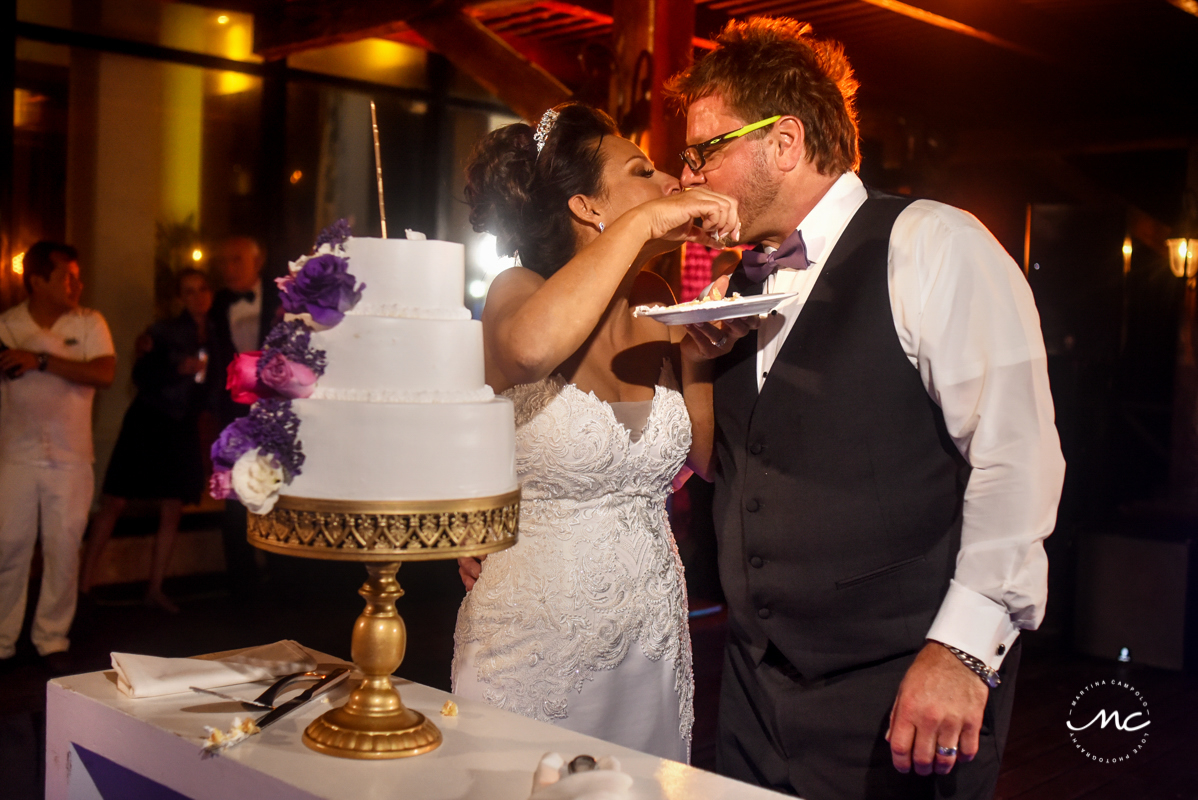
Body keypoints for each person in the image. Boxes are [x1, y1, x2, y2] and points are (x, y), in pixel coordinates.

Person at [666, 18, 1066, 799]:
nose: (688, 178)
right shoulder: (726, 292)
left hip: (903, 687)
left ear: (784, 141)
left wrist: (963, 650)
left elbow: (1017, 458)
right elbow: (723, 463)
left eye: (704, 150)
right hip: (752, 691)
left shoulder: (934, 244)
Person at [452, 102, 747, 762]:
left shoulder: (659, 301)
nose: (673, 180)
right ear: (589, 207)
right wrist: (644, 220)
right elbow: (530, 352)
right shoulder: (516, 290)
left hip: (652, 630)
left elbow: (703, 457)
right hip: (535, 639)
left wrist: (706, 343)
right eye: (644, 172)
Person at [0, 241, 115, 670]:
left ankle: (51, 638)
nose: (76, 284)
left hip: (70, 456)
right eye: (67, 276)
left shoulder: (89, 323)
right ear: (38, 280)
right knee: (8, 546)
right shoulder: (7, 326)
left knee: (63, 548)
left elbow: (104, 373)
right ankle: (2, 639)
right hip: (16, 453)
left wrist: (41, 361)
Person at [80, 268, 215, 613]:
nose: (196, 296)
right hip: (149, 420)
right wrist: (177, 370)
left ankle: (155, 589)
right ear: (179, 298)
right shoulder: (163, 330)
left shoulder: (218, 334)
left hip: (183, 425)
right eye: (188, 291)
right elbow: (141, 375)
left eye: (201, 289)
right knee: (115, 500)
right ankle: (83, 587)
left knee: (173, 506)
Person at [207, 235, 277, 594]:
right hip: (234, 416)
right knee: (235, 499)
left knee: (279, 495)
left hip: (280, 415)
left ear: (258, 260)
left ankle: (285, 582)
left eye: (237, 260)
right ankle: (241, 584)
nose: (229, 268)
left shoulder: (284, 298)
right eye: (224, 261)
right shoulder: (218, 304)